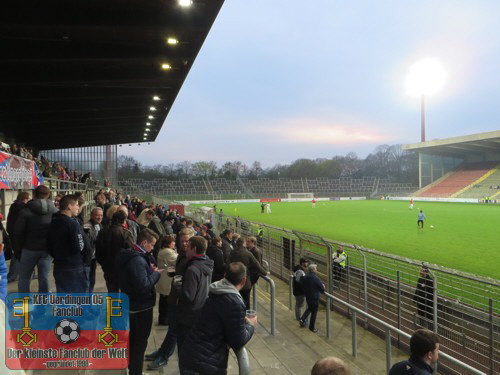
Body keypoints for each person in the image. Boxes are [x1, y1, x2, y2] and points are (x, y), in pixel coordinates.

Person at [178, 262, 256, 375]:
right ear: (243, 281)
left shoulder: (216, 290)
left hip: (191, 356)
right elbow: (238, 340)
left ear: (225, 276)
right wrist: (251, 325)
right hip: (204, 365)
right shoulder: (235, 302)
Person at [117, 228, 163, 375]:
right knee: (139, 343)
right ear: (144, 242)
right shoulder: (137, 260)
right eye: (152, 245)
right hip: (140, 307)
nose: (153, 248)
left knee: (133, 340)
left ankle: (131, 367)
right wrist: (155, 275)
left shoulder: (131, 255)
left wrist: (148, 271)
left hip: (131, 304)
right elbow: (142, 286)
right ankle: (135, 371)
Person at [14, 185, 58, 293]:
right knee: (44, 278)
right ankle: (42, 307)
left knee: (24, 278)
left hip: (28, 249)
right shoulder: (55, 211)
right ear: (48, 195)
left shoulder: (25, 211)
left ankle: (24, 306)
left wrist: (18, 250)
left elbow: (17, 233)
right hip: (47, 250)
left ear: (34, 194)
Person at [176, 236, 214, 357]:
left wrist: (177, 286)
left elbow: (188, 296)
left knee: (185, 352)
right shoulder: (207, 264)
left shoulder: (192, 269)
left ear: (195, 249)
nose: (185, 249)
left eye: (188, 247)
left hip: (188, 317)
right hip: (199, 313)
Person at [47, 195, 92, 293]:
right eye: (76, 205)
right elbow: (79, 245)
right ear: (69, 206)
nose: (78, 207)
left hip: (59, 266)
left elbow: (48, 245)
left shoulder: (53, 222)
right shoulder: (72, 224)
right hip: (74, 266)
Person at [95, 210, 134, 292]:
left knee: (112, 293)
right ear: (123, 220)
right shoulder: (125, 233)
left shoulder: (102, 232)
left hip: (108, 269)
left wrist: (104, 264)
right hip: (122, 269)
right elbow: (131, 252)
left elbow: (98, 251)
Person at [228, 237, 269, 310]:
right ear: (243, 243)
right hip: (245, 281)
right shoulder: (248, 253)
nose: (247, 243)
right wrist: (265, 272)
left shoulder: (232, 252)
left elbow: (228, 263)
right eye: (246, 242)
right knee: (246, 301)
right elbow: (257, 264)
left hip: (233, 280)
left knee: (235, 299)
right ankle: (246, 317)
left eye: (248, 241)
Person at [6, 191, 30, 282]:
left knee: (17, 254)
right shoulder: (23, 208)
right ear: (25, 199)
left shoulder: (14, 206)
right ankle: (13, 275)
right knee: (18, 255)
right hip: (20, 235)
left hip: (13, 233)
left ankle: (13, 275)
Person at [156, 235, 177, 326]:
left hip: (164, 277)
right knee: (166, 301)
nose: (174, 243)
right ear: (168, 243)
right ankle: (164, 319)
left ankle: (162, 318)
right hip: (167, 279)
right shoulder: (168, 252)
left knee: (163, 300)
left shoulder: (162, 251)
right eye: (173, 242)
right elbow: (176, 261)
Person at [300, 263, 325, 333]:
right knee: (314, 312)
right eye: (316, 269)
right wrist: (323, 287)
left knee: (310, 308)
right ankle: (312, 327)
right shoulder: (316, 278)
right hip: (314, 297)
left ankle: (302, 319)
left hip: (308, 296)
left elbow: (302, 284)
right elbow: (322, 289)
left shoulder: (305, 276)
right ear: (313, 270)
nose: (316, 270)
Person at [83, 207, 103, 293]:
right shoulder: (86, 227)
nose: (99, 217)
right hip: (87, 259)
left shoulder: (100, 226)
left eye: (101, 215)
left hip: (94, 258)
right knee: (86, 281)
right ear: (92, 215)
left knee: (92, 280)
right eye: (97, 215)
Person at [293, 257, 309, 322]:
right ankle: (299, 318)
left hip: (298, 291)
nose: (307, 264)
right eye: (306, 262)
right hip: (300, 291)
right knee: (299, 305)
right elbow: (298, 280)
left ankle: (298, 317)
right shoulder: (300, 271)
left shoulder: (299, 269)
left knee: (298, 304)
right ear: (302, 263)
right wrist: (304, 286)